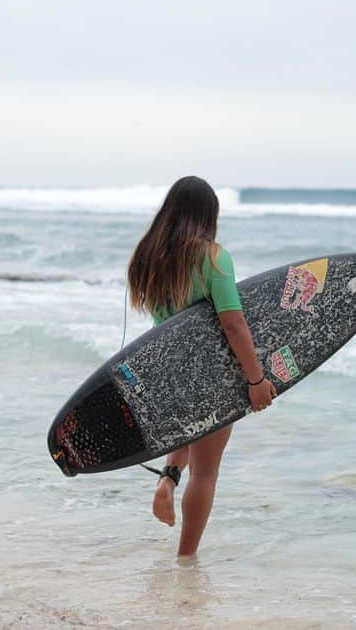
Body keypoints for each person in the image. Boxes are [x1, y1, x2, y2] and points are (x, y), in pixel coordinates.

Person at [127, 176, 276, 558]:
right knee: (206, 472)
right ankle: (186, 559)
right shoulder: (212, 257)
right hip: (211, 376)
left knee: (187, 437)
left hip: (168, 372)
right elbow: (233, 323)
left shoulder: (148, 257)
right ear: (209, 215)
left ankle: (168, 481)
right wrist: (256, 380)